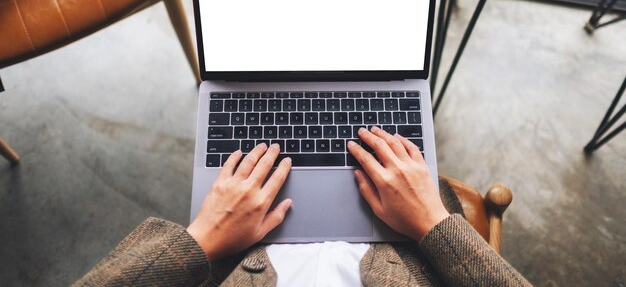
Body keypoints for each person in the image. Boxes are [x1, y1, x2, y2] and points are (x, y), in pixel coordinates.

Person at [73, 127, 532, 287]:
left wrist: (204, 239)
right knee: (405, 160)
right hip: (410, 247)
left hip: (241, 249)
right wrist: (433, 223)